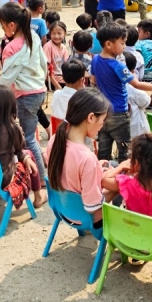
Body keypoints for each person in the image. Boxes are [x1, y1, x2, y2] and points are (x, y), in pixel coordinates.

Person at [92, 22, 152, 162]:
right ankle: (124, 179)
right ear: (108, 44)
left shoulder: (95, 60)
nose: (125, 47)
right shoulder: (118, 66)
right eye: (122, 43)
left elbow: (93, 80)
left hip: (102, 112)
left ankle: (103, 178)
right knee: (125, 151)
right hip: (119, 112)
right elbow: (137, 84)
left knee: (103, 151)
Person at [0, 1, 49, 178]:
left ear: (11, 25)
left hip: (26, 95)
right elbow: (43, 63)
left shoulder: (11, 47)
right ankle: (41, 171)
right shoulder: (33, 36)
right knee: (30, 135)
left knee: (28, 139)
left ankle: (40, 179)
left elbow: (6, 77)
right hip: (38, 90)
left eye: (3, 26)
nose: (3, 30)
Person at [103, 134, 152, 248]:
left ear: (136, 162)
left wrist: (120, 167)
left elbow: (103, 181)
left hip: (131, 238)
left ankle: (136, 256)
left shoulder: (127, 183)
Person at [46, 88, 111, 222]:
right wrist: (116, 189)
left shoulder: (55, 140)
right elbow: (92, 207)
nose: (102, 125)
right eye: (103, 120)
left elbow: (69, 170)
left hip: (63, 210)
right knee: (122, 184)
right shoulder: (87, 158)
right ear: (91, 117)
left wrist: (96, 169)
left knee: (111, 167)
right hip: (84, 218)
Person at [0, 85, 45, 209]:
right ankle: (38, 196)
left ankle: (38, 194)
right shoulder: (11, 129)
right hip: (2, 179)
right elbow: (21, 147)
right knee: (29, 153)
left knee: (25, 156)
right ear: (11, 106)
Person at [43, 21, 69, 89]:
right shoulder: (48, 47)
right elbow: (47, 70)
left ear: (65, 33)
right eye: (53, 34)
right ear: (50, 34)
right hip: (51, 81)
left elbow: (66, 66)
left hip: (63, 78)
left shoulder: (64, 48)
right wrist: (57, 86)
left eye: (59, 33)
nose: (56, 36)